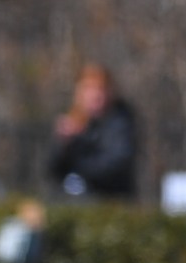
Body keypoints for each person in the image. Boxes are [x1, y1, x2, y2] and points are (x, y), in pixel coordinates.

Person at [48, 63, 137, 200]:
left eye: (99, 90)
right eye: (89, 89)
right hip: (74, 201)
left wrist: (81, 140)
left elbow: (115, 164)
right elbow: (53, 170)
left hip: (111, 201)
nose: (95, 95)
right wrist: (64, 143)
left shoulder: (120, 121)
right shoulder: (75, 118)